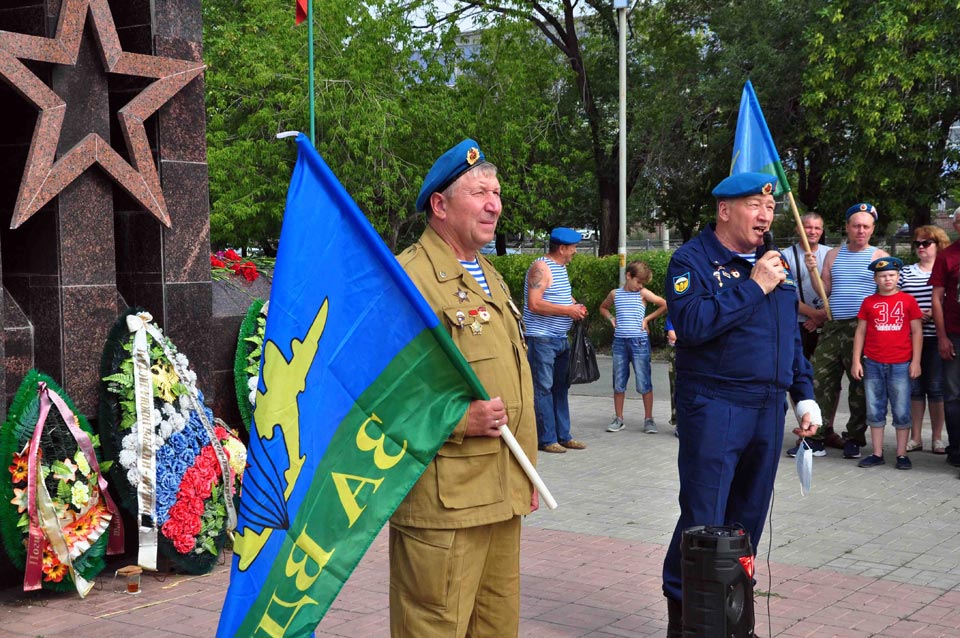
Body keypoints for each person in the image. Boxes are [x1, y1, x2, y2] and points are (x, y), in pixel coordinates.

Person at [661, 172, 821, 637]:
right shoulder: (692, 259)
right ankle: (688, 618)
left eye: (769, 207)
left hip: (767, 408)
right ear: (725, 210)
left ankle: (733, 620)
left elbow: (788, 340)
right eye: (755, 205)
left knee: (747, 520)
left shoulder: (776, 264)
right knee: (704, 518)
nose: (766, 215)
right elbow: (690, 324)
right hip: (715, 402)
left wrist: (804, 394)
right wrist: (753, 286)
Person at [393, 139, 538, 637]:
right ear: (440, 204)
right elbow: (376, 394)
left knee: (498, 628)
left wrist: (525, 478)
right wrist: (460, 420)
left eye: (496, 192)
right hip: (446, 504)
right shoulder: (409, 278)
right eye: (480, 192)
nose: (495, 204)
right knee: (434, 628)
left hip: (501, 492)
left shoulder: (489, 275)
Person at [788, 203, 889, 459]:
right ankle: (816, 438)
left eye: (866, 226)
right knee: (820, 380)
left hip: (864, 328)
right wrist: (812, 269)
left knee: (860, 385)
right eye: (856, 225)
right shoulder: (833, 255)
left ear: (872, 229)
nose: (861, 230)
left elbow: (887, 293)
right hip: (834, 325)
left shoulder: (879, 256)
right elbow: (825, 289)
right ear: (847, 227)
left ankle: (854, 438)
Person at [850, 257, 923, 470]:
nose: (887, 279)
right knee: (874, 409)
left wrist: (916, 361)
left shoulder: (908, 301)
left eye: (891, 275)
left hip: (900, 363)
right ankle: (877, 453)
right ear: (875, 278)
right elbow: (860, 331)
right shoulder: (869, 302)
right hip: (873, 362)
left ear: (898, 277)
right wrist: (856, 360)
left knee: (901, 409)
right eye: (882, 276)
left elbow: (917, 332)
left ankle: (901, 454)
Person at [523, 227, 589, 453]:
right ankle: (547, 438)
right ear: (562, 248)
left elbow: (560, 296)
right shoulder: (541, 267)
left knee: (561, 388)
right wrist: (567, 311)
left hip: (560, 338)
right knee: (543, 388)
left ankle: (564, 435)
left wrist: (575, 306)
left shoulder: (560, 268)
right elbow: (534, 303)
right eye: (573, 248)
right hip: (542, 339)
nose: (575, 252)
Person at [598, 260, 667, 433]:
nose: (640, 286)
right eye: (638, 281)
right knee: (619, 382)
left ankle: (649, 419)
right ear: (628, 276)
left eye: (642, 283)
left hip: (639, 341)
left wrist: (646, 319)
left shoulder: (643, 294)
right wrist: (611, 319)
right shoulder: (615, 294)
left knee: (644, 381)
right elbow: (604, 308)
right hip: (620, 342)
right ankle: (619, 417)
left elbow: (664, 304)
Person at [899, 225, 951, 454]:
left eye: (926, 243)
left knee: (937, 389)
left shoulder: (947, 271)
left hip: (938, 337)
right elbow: (895, 302)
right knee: (915, 389)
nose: (920, 247)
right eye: (917, 243)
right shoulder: (906, 272)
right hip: (911, 339)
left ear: (938, 245)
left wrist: (935, 312)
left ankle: (938, 438)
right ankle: (916, 437)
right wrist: (915, 316)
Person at [930, 207, 960, 469]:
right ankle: (957, 448)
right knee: (952, 395)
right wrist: (942, 336)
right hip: (954, 334)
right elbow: (937, 299)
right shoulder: (946, 256)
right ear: (955, 225)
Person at [782, 212, 831, 359]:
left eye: (817, 228)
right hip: (799, 324)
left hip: (828, 322)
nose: (813, 231)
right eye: (808, 227)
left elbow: (838, 288)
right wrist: (814, 314)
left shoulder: (831, 254)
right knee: (798, 370)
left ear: (822, 231)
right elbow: (785, 293)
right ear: (798, 228)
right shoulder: (786, 256)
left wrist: (821, 317)